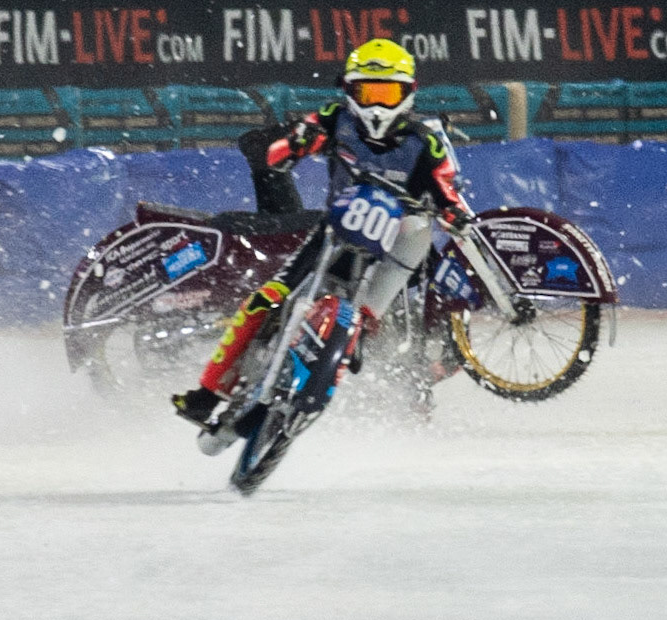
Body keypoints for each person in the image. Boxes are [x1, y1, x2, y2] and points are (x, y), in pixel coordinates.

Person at [172, 38, 473, 441]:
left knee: (396, 310)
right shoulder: (335, 118)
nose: (378, 106)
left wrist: (452, 211)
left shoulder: (424, 140)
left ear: (408, 93)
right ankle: (207, 394)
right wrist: (290, 146)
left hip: (398, 237)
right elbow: (295, 140)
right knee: (267, 297)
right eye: (368, 93)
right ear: (350, 92)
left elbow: (445, 184)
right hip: (335, 230)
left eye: (388, 93)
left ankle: (393, 381)